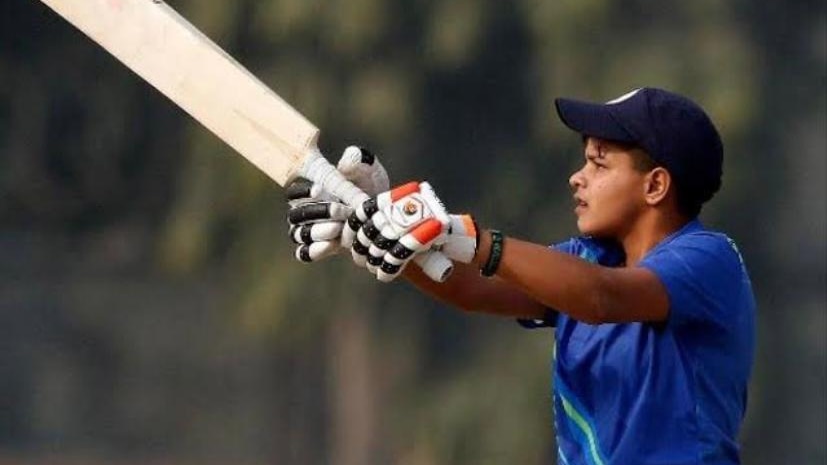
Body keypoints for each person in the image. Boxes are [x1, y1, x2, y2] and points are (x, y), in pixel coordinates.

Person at [286, 88, 756, 465]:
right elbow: (470, 286)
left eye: (598, 162)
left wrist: (467, 235)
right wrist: (374, 223)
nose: (577, 177)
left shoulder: (709, 259)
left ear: (655, 185)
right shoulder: (589, 258)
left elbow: (602, 299)